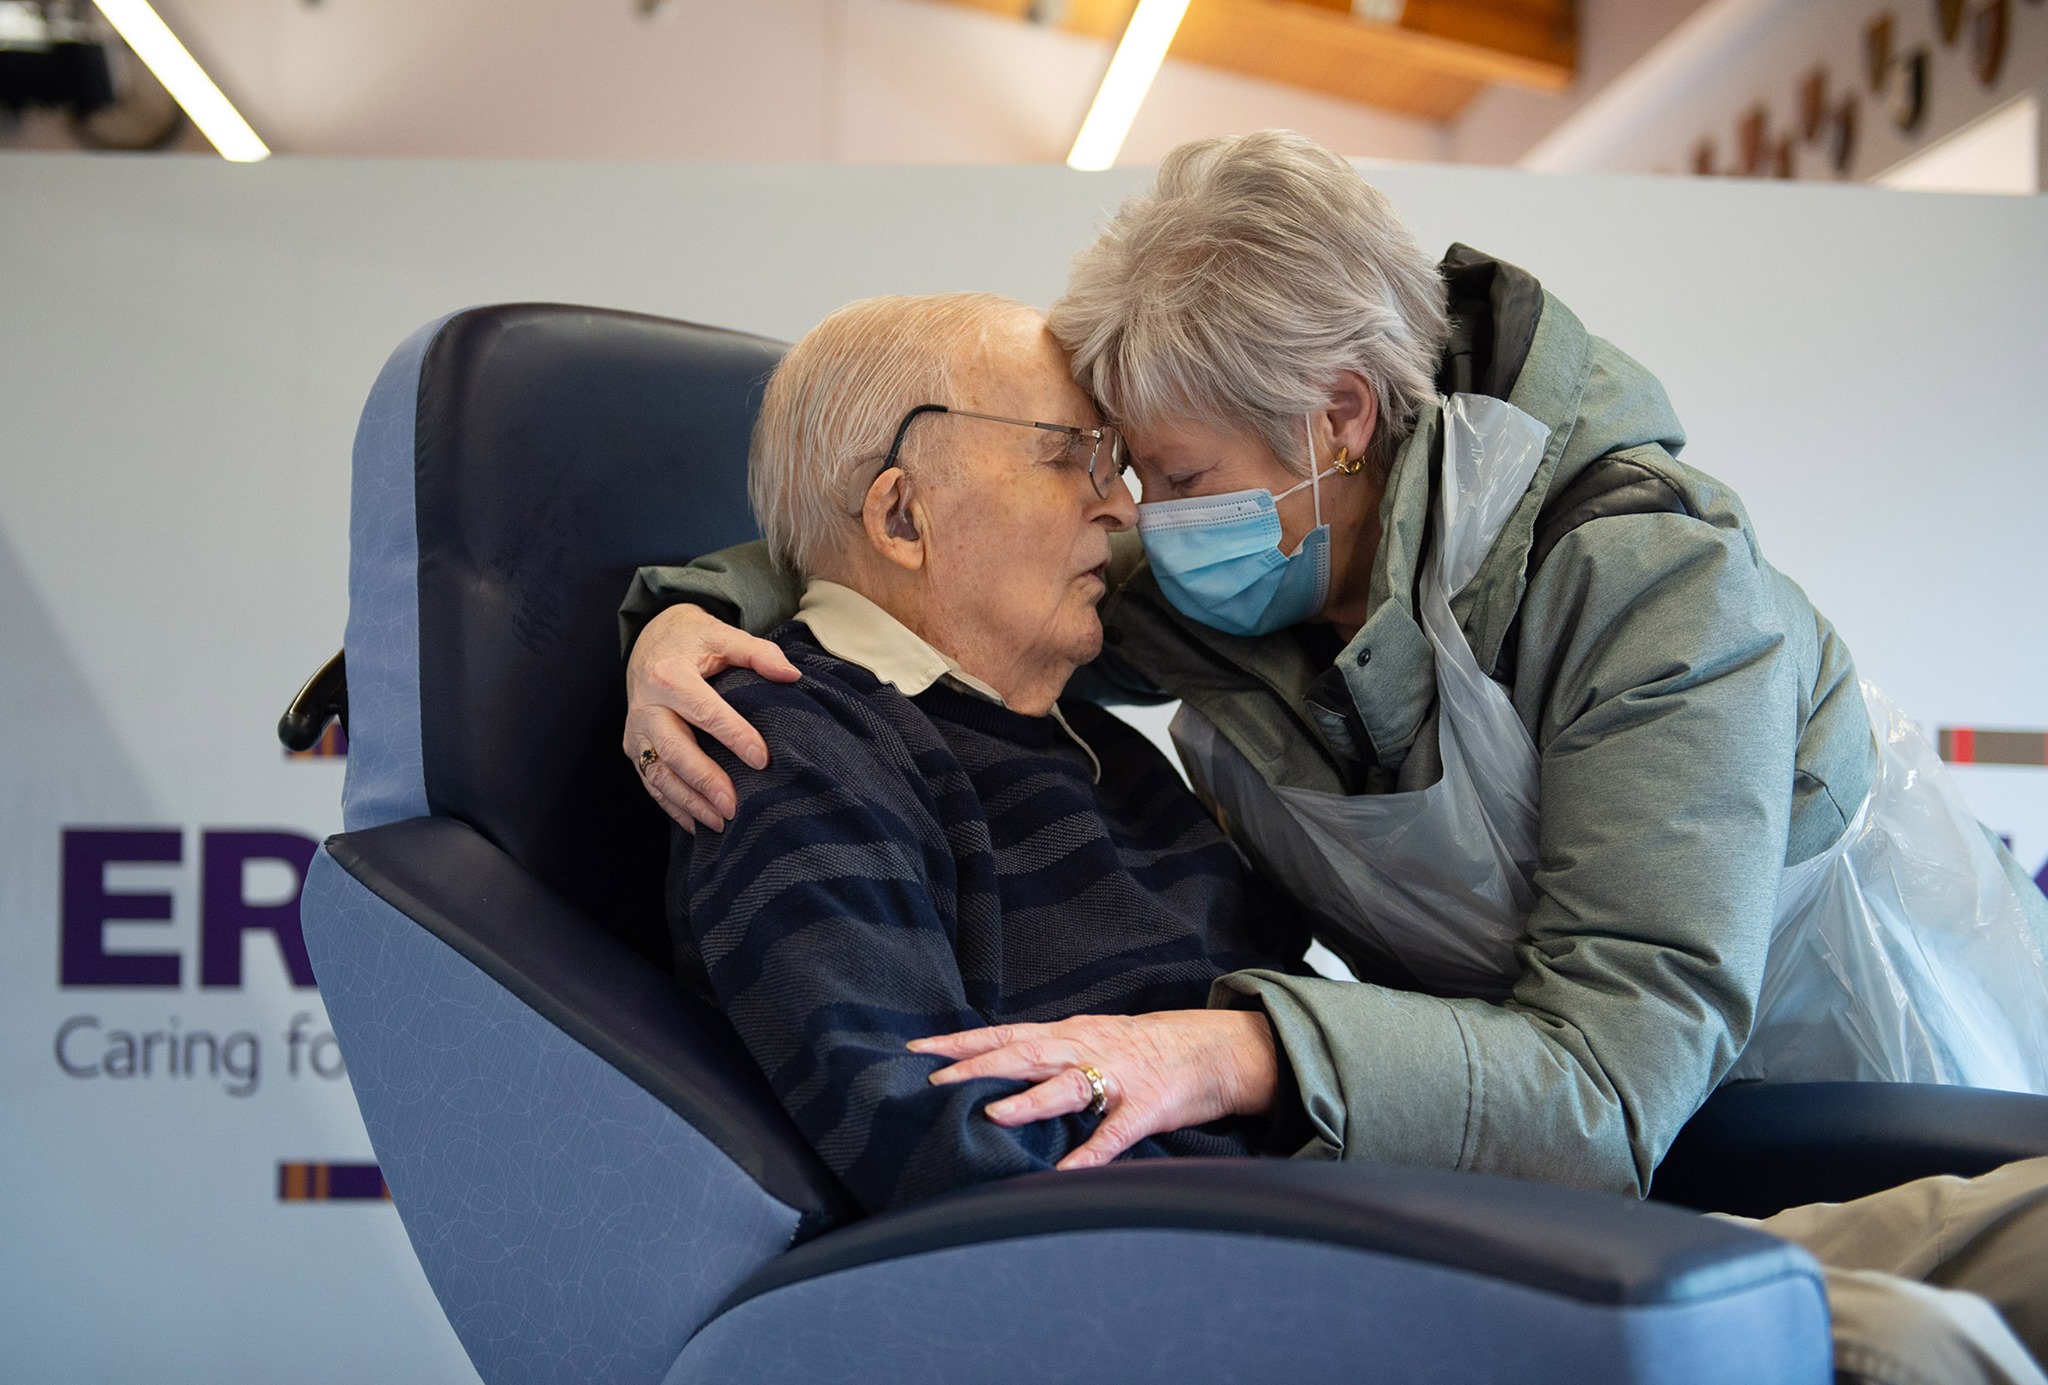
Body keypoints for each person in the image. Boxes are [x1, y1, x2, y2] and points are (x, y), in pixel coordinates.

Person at [625, 134, 2048, 1381]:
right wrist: (685, 617)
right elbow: (890, 568)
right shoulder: (828, 744)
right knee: (1916, 1346)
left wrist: (1237, 1054)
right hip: (1389, 1213)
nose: (1127, 521)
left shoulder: (1651, 587)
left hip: (1732, 1082)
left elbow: (1613, 1082)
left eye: (1163, 477)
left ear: (1341, 419)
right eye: (1094, 462)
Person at [663, 290, 1306, 1215]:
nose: (1123, 507)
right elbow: (942, 1147)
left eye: (1116, 464)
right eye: (1068, 458)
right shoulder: (790, 747)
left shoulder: (1099, 749)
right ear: (902, 521)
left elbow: (1297, 1036)